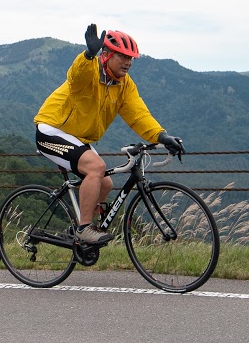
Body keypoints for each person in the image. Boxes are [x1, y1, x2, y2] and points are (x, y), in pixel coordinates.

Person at [34, 25, 184, 247]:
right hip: (52, 130)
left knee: (105, 184)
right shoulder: (89, 72)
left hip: (78, 137)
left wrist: (161, 136)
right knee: (96, 167)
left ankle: (80, 230)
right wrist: (87, 56)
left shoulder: (124, 85)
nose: (128, 62)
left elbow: (138, 115)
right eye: (123, 56)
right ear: (106, 55)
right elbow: (76, 76)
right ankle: (85, 228)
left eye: (131, 58)